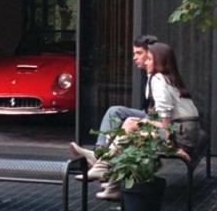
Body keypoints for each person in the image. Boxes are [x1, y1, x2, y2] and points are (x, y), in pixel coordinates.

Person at [72, 41, 205, 200]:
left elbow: (166, 124)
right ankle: (109, 179)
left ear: (159, 61)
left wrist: (173, 148)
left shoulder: (159, 80)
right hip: (187, 130)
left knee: (130, 126)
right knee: (129, 127)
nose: (144, 61)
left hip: (183, 134)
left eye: (148, 58)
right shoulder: (166, 78)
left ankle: (102, 164)